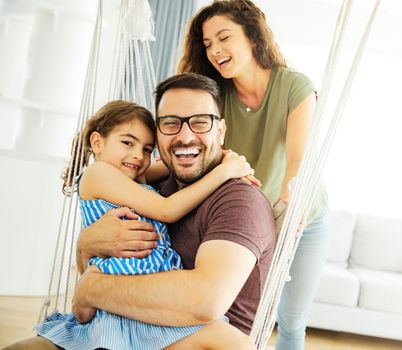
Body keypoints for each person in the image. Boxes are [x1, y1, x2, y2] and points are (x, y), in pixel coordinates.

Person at [4, 73, 275, 350]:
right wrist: (85, 245)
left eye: (200, 122)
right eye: (171, 123)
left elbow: (205, 301)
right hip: (120, 315)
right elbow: (166, 196)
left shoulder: (238, 200)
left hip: (178, 329)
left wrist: (91, 289)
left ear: (220, 131)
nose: (185, 135)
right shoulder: (136, 180)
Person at [178, 1, 330, 349]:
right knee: (251, 318)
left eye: (224, 37)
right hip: (255, 220)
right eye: (207, 44)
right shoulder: (218, 99)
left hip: (304, 217)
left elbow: (298, 160)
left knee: (291, 322)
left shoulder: (295, 86)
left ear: (252, 36)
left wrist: (292, 197)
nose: (215, 50)